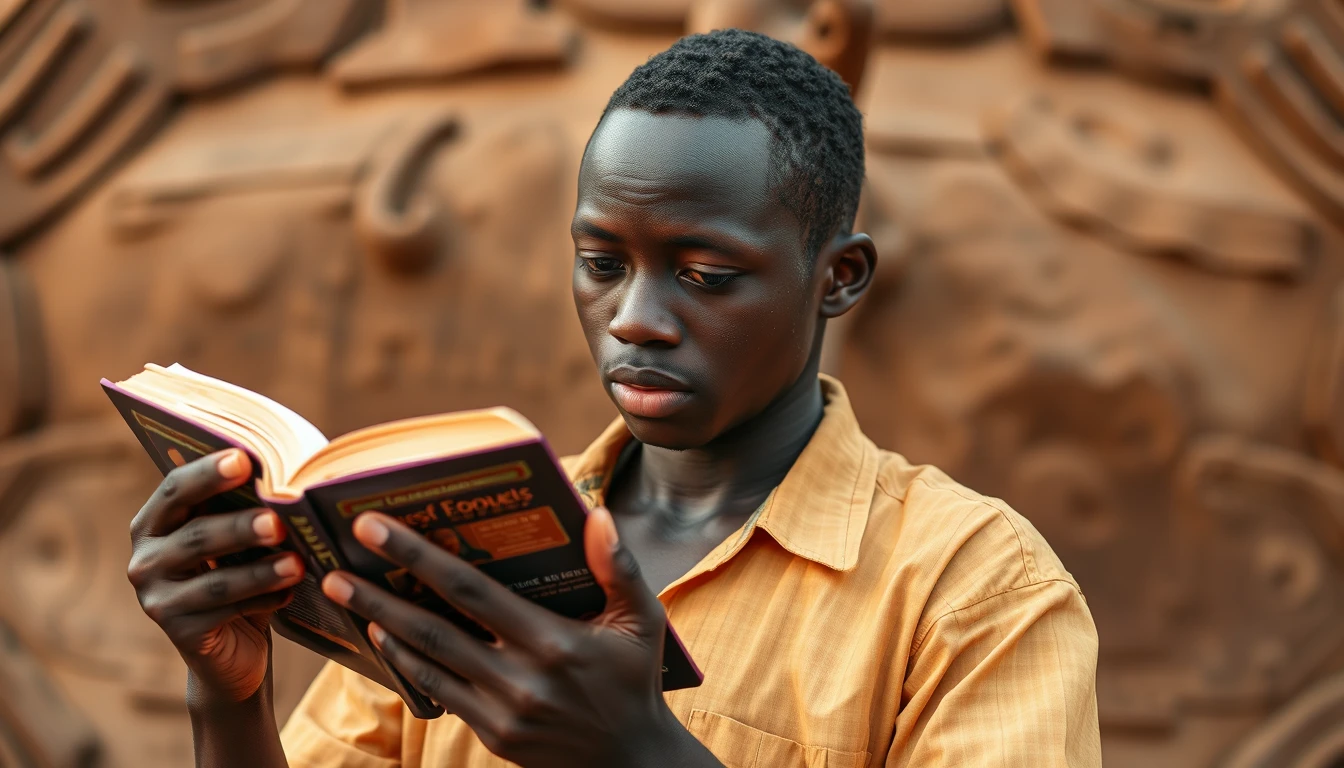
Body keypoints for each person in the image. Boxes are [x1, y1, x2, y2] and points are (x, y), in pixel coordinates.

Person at [125, 30, 1101, 767]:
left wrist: (644, 751)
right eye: (601, 263)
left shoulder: (973, 589)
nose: (635, 318)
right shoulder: (451, 540)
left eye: (706, 274)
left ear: (837, 278)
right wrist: (228, 693)